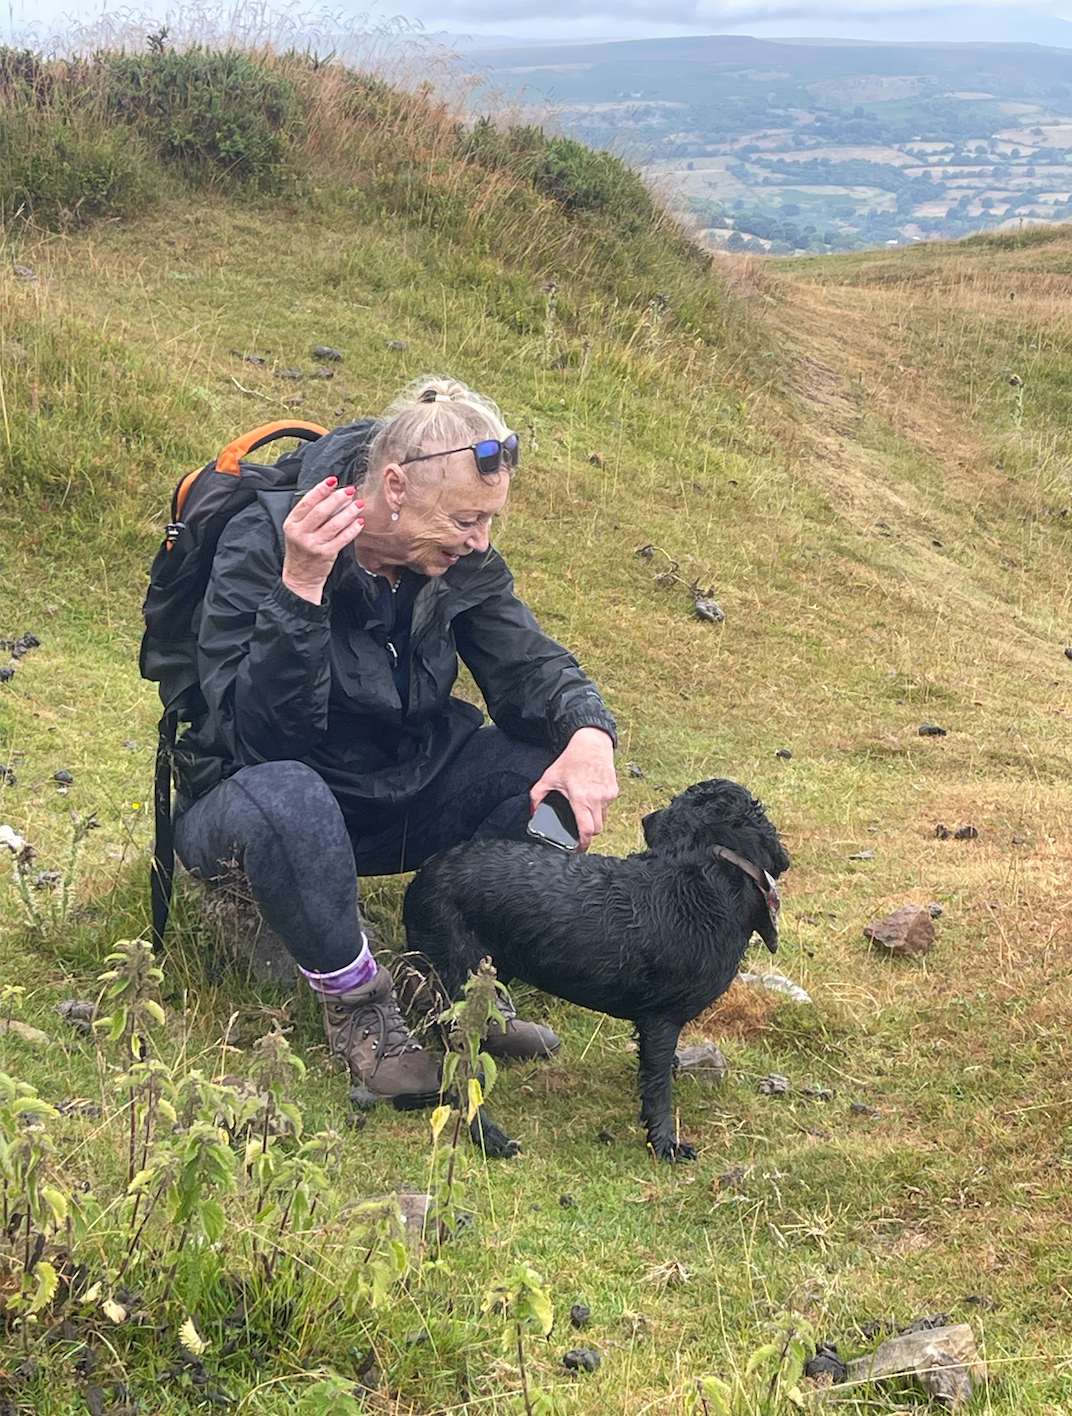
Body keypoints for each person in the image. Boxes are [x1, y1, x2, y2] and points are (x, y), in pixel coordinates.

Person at [172, 377, 619, 1107]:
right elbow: (258, 740)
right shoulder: (266, 541)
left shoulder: (456, 558)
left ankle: (455, 975)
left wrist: (590, 733)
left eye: (490, 519)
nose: (480, 540)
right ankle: (360, 1010)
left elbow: (528, 665)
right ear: (395, 487)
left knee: (546, 772)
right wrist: (300, 589)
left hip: (393, 792)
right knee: (289, 793)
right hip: (257, 808)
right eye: (467, 519)